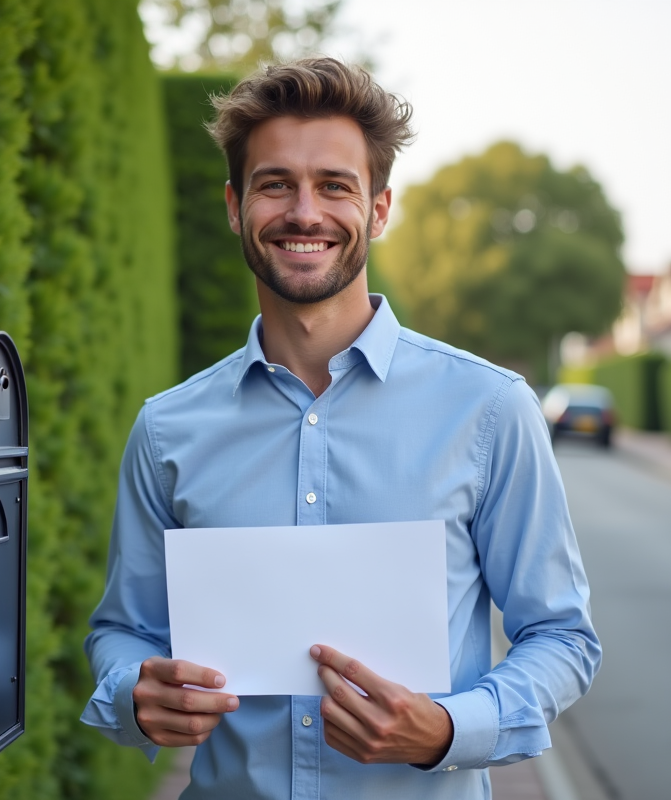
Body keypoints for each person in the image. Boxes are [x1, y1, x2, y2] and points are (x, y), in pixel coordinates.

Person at [81, 57, 601, 799]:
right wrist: (135, 690)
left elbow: (561, 637)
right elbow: (123, 630)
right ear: (235, 206)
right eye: (274, 185)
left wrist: (452, 729)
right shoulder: (168, 429)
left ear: (380, 209)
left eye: (334, 185)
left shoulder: (490, 409)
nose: (304, 212)